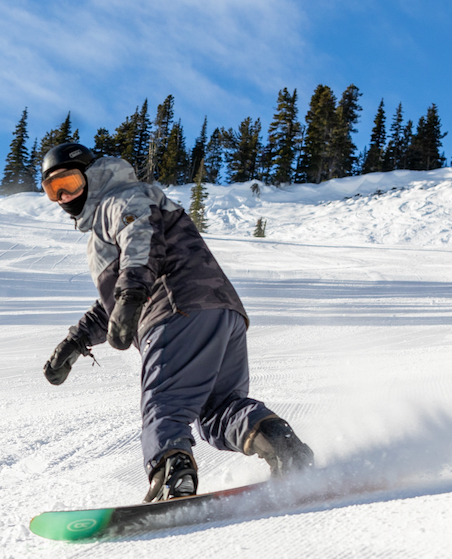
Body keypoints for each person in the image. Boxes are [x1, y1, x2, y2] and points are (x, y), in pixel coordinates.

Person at [41, 142, 314, 502]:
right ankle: (282, 445)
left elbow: (141, 240)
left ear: (92, 177)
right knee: (218, 411)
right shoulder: (115, 214)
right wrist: (75, 342)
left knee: (163, 406)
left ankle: (173, 475)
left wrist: (131, 295)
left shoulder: (118, 201)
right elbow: (112, 301)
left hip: (176, 312)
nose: (64, 198)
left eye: (70, 184)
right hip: (221, 313)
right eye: (53, 191)